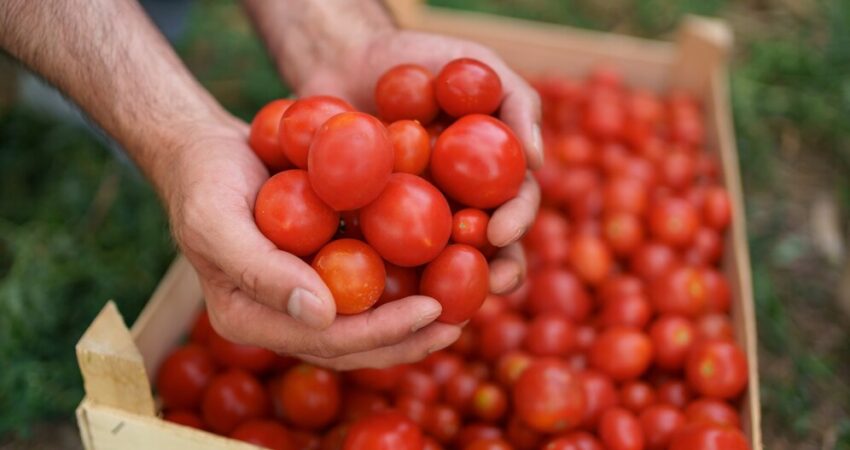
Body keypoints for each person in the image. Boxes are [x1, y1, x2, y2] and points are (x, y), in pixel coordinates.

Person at [0, 0, 542, 370]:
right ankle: (57, 87)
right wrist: (171, 133)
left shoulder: (388, 170)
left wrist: (336, 35)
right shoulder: (347, 169)